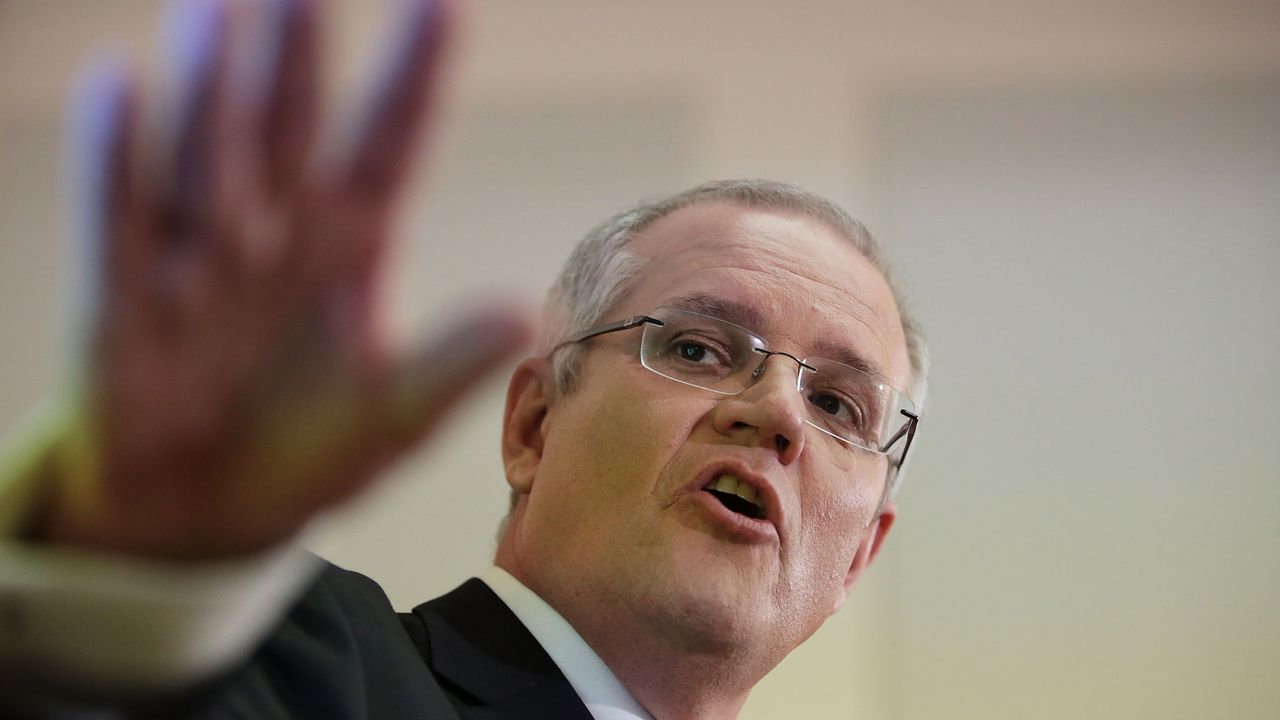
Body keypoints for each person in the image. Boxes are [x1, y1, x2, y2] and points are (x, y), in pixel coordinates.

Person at [0, 0, 927, 717]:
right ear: (533, 425)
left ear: (858, 562)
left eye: (841, 406)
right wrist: (122, 573)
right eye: (697, 347)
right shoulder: (304, 667)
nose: (773, 411)